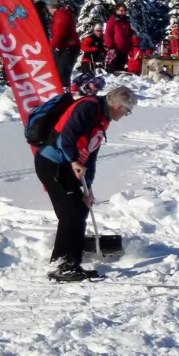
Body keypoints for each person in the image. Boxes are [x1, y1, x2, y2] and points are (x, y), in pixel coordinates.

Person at [35, 85, 137, 282]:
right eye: (127, 110)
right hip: (53, 163)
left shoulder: (102, 118)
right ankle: (63, 265)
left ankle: (70, 263)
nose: (126, 114)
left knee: (79, 209)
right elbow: (67, 135)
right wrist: (73, 160)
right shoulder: (89, 107)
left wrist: (87, 187)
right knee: (71, 212)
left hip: (69, 166)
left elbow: (90, 154)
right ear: (117, 105)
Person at [47, 0, 80, 87]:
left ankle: (65, 92)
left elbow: (59, 33)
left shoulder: (60, 16)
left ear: (52, 8)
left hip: (68, 47)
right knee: (61, 70)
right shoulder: (61, 14)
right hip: (66, 46)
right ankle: (63, 90)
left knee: (62, 71)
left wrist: (51, 47)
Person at [104, 3, 134, 72]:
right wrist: (110, 46)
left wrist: (130, 47)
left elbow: (129, 36)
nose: (123, 12)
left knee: (121, 71)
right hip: (115, 49)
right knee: (113, 70)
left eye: (124, 10)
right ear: (116, 11)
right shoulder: (113, 20)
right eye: (121, 10)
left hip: (124, 50)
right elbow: (108, 33)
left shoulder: (126, 22)